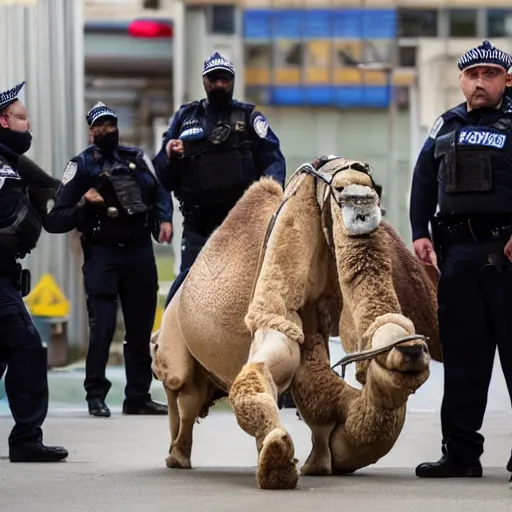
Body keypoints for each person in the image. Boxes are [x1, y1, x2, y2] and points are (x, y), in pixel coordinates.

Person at [409, 40, 512, 480]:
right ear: (462, 80)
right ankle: (461, 453)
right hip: (457, 258)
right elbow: (422, 179)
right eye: (472, 75)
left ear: (507, 79)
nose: (479, 82)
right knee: (464, 363)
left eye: (489, 74)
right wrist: (418, 233)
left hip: (506, 256)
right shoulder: (445, 125)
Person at [45, 102, 172, 418]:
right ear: (91, 133)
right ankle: (96, 395)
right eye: (100, 126)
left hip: (140, 252)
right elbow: (55, 219)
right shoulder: (82, 166)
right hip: (103, 253)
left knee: (141, 328)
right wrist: (85, 205)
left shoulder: (136, 159)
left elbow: (160, 193)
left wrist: (164, 220)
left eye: (111, 124)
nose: (108, 130)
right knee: (101, 328)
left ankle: (138, 396)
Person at [153, 52, 286, 307]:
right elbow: (162, 177)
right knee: (185, 290)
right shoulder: (184, 118)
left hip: (241, 224)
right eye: (214, 79)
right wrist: (169, 155)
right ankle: (165, 344)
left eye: (224, 79)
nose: (219, 85)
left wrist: (271, 198)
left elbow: (273, 159)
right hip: (198, 226)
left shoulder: (249, 118)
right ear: (205, 81)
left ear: (232, 81)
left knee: (255, 288)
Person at [0, 81, 68, 462]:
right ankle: (26, 438)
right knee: (27, 346)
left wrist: (81, 201)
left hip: (6, 276)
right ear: (3, 120)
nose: (29, 125)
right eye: (22, 118)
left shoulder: (16, 166)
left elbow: (54, 209)